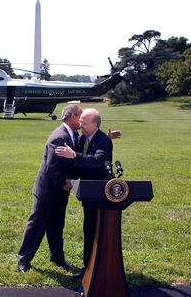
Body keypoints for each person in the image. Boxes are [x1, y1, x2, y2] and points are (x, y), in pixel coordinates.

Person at [17, 104, 82, 273]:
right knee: (37, 224)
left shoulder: (73, 134)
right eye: (80, 117)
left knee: (56, 225)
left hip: (60, 191)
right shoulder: (60, 137)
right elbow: (52, 166)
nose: (82, 121)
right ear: (73, 116)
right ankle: (23, 260)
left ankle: (57, 258)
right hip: (47, 191)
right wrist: (65, 183)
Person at [55, 108, 113, 279]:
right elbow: (78, 165)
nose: (80, 126)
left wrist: (73, 155)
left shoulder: (104, 141)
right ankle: (88, 266)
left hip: (101, 195)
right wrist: (70, 179)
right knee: (88, 229)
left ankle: (100, 266)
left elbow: (96, 162)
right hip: (87, 193)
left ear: (95, 124)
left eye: (84, 124)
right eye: (80, 122)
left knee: (98, 230)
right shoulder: (82, 138)